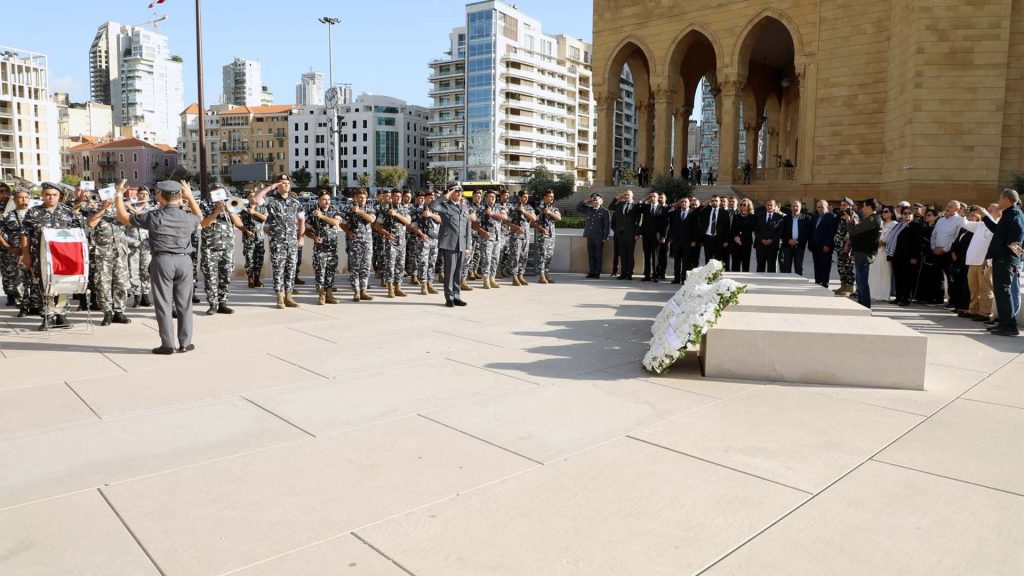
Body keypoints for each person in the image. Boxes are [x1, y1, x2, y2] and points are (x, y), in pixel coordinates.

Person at [114, 180, 201, 353]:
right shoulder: (187, 216)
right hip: (184, 261)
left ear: (160, 196)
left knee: (164, 304)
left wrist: (118, 195)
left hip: (163, 261)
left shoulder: (154, 216)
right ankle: (185, 343)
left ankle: (168, 345)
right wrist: (190, 197)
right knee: (185, 304)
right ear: (180, 195)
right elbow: (200, 218)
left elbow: (123, 217)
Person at [251, 175, 305, 309]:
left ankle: (289, 297)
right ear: (278, 186)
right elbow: (255, 200)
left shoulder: (295, 202)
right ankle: (280, 297)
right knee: (278, 270)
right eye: (282, 183)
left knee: (291, 269)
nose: (285, 185)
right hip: (278, 242)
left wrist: (301, 237)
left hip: (292, 242)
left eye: (287, 183)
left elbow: (301, 220)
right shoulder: (271, 200)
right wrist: (270, 187)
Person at [977, 190, 1024, 336]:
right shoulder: (1008, 214)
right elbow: (998, 231)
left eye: (1000, 199)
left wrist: (1011, 246)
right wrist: (985, 217)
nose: (998, 201)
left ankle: (1010, 327)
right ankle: (1004, 324)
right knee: (1001, 293)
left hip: (1006, 259)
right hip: (1002, 258)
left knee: (1004, 292)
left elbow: (1018, 233)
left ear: (1008, 199)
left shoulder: (1014, 214)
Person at [84, 190, 132, 326]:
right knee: (103, 282)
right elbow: (91, 224)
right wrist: (103, 208)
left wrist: (124, 207)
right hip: (103, 252)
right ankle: (107, 312)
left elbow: (130, 222)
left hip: (120, 251)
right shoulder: (95, 209)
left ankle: (119, 311)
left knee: (121, 282)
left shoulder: (121, 210)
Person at [198, 186, 244, 315]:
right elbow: (203, 224)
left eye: (221, 193)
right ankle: (213, 305)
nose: (219, 195)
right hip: (210, 248)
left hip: (227, 247)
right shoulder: (204, 204)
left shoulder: (230, 204)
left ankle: (223, 303)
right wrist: (217, 211)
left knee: (226, 276)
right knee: (210, 277)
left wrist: (230, 211)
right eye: (216, 193)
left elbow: (239, 224)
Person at [430, 184, 473, 307]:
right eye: (456, 191)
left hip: (461, 244)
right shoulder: (445, 206)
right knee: (449, 271)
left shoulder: (465, 207)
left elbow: (468, 228)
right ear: (451, 193)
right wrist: (445, 196)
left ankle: (456, 296)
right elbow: (432, 206)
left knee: (458, 272)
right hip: (450, 244)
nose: (459, 193)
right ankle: (449, 297)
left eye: (460, 191)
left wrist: (468, 246)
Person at [959, 204, 999, 320]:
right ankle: (973, 310)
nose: (987, 211)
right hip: (973, 261)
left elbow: (992, 224)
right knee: (974, 288)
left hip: (984, 262)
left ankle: (985, 313)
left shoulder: (997, 226)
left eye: (990, 210)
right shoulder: (981, 224)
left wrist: (983, 211)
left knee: (985, 289)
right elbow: (965, 224)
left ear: (999, 213)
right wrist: (963, 215)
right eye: (988, 209)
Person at [338, 188, 377, 302]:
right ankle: (356, 291)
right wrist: (349, 232)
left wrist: (359, 211)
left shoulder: (369, 209)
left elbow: (371, 220)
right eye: (360, 197)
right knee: (355, 268)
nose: (362, 199)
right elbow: (342, 224)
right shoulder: (348, 209)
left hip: (367, 242)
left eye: (364, 197)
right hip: (355, 243)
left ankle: (363, 291)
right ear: (355, 198)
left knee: (366, 267)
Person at [305, 190, 343, 305]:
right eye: (324, 199)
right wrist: (314, 237)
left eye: (328, 199)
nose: (327, 202)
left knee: (331, 271)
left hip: (332, 248)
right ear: (319, 201)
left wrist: (321, 216)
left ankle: (329, 294)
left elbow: (336, 223)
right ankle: (321, 295)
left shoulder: (334, 211)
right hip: (320, 248)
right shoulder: (312, 213)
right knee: (320, 271)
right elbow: (306, 230)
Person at [847, 198, 882, 308]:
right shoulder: (870, 218)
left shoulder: (872, 219)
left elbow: (854, 232)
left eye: (864, 206)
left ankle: (865, 305)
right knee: (859, 280)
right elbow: (859, 233)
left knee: (862, 280)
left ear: (870, 207)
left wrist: (849, 221)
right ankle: (862, 303)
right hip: (861, 252)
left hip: (864, 253)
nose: (862, 209)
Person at [0, 188, 29, 313]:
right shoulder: (6, 216)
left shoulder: (34, 214)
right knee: (12, 276)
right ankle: (14, 298)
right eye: (20, 197)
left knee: (30, 278)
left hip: (30, 252)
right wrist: (10, 248)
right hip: (13, 252)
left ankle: (29, 302)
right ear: (14, 199)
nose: (24, 200)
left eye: (26, 197)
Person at [931, 200, 964, 309]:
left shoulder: (959, 221)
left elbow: (955, 238)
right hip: (936, 251)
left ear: (957, 209)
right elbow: (934, 235)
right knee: (937, 276)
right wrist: (933, 247)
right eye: (947, 206)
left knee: (951, 278)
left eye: (950, 207)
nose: (947, 208)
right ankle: (938, 298)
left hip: (949, 253)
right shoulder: (940, 220)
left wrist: (944, 249)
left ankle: (952, 301)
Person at [125, 186, 153, 308]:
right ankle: (137, 296)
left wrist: (131, 208)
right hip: (133, 244)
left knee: (146, 270)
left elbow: (144, 217)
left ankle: (145, 295)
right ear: (137, 195)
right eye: (141, 193)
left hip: (146, 244)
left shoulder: (151, 208)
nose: (144, 196)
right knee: (133, 270)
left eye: (146, 194)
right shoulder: (128, 208)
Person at [473, 190, 507, 289]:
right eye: (490, 196)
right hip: (486, 238)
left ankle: (492, 279)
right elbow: (475, 225)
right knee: (486, 260)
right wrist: (483, 232)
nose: (492, 198)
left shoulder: (499, 208)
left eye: (494, 197)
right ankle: (486, 280)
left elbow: (505, 217)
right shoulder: (481, 209)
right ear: (486, 198)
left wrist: (492, 213)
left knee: (495, 259)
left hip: (497, 238)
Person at [890, 206, 922, 306]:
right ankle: (899, 297)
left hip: (909, 257)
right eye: (905, 213)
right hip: (897, 255)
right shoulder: (899, 225)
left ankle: (906, 298)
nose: (907, 215)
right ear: (901, 215)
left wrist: (914, 257)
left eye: (909, 213)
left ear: (912, 215)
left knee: (907, 278)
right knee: (898, 277)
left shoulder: (916, 225)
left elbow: (917, 243)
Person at [412, 191, 441, 295]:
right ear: (425, 199)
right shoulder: (418, 210)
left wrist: (431, 215)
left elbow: (441, 220)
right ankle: (423, 285)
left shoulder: (436, 210)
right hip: (423, 239)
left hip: (435, 239)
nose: (432, 199)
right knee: (423, 263)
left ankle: (430, 284)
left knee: (432, 263)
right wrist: (421, 234)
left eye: (433, 198)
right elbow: (413, 225)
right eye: (430, 198)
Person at [506, 190, 537, 286]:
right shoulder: (512, 207)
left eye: (527, 197)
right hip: (516, 236)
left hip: (526, 236)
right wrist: (515, 227)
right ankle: (514, 276)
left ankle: (520, 275)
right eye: (524, 197)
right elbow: (507, 221)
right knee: (515, 256)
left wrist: (524, 211)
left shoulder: (529, 208)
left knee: (524, 257)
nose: (526, 199)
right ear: (519, 197)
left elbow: (534, 218)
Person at [239, 187, 268, 288]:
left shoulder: (262, 208)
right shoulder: (243, 209)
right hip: (248, 238)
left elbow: (265, 218)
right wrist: (246, 231)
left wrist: (254, 212)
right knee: (249, 259)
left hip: (259, 238)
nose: (253, 198)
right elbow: (238, 223)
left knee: (259, 259)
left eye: (255, 196)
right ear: (248, 198)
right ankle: (250, 279)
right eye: (251, 196)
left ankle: (257, 279)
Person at [868, 205, 897, 301]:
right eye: (883, 211)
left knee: (884, 273)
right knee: (874, 271)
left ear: (892, 213)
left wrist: (882, 242)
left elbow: (891, 237)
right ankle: (873, 293)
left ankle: (883, 295)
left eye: (886, 211)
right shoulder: (881, 222)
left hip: (885, 251)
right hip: (876, 250)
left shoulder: (894, 223)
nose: (884, 213)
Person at [578, 193, 611, 279]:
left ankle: (597, 272)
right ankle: (591, 271)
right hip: (590, 235)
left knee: (598, 255)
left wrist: (605, 237)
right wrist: (587, 201)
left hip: (599, 237)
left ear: (601, 201)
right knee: (591, 254)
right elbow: (578, 207)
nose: (595, 201)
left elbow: (607, 225)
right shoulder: (589, 209)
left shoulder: (604, 211)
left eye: (596, 199)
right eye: (593, 200)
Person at [609, 190, 640, 279]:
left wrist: (637, 233)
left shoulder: (636, 205)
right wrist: (618, 197)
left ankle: (629, 273)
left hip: (631, 234)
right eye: (625, 195)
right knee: (622, 254)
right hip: (621, 233)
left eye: (628, 195)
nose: (627, 196)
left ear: (632, 195)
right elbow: (611, 206)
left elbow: (639, 220)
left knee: (630, 254)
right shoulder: (620, 204)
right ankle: (623, 273)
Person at [916, 209, 944, 305]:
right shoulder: (924, 226)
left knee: (936, 277)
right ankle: (925, 297)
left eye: (929, 215)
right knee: (926, 277)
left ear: (936, 217)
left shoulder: (938, 228)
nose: (926, 216)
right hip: (925, 255)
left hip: (935, 255)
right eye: (926, 215)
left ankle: (937, 298)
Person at [533, 189, 561, 284]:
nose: (552, 198)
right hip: (542, 236)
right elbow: (533, 222)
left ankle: (546, 273)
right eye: (550, 196)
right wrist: (541, 229)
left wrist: (549, 212)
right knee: (542, 255)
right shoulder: (538, 209)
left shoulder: (554, 209)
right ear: (545, 197)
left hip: (551, 236)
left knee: (549, 256)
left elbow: (559, 218)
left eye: (553, 197)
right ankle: (541, 275)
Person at [638, 191, 667, 282]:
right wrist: (645, 198)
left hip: (656, 236)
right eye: (651, 196)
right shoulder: (646, 207)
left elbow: (664, 224)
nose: (652, 198)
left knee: (655, 257)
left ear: (658, 198)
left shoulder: (662, 208)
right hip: (646, 235)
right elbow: (638, 206)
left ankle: (655, 274)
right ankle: (647, 275)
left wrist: (663, 236)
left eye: (654, 196)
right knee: (647, 255)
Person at [667, 197, 697, 283]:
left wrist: (694, 240)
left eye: (685, 202)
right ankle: (676, 278)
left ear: (689, 203)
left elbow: (695, 228)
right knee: (677, 261)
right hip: (676, 241)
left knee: (686, 261)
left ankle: (684, 278)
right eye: (682, 202)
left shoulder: (693, 213)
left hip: (687, 241)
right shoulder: (675, 213)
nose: (683, 203)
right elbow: (664, 213)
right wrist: (673, 205)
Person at [809, 200, 837, 288]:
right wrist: (810, 244)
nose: (820, 209)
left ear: (827, 207)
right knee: (817, 264)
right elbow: (811, 231)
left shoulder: (832, 216)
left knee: (825, 265)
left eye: (822, 207)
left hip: (825, 246)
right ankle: (817, 281)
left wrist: (828, 244)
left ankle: (825, 283)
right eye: (818, 207)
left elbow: (831, 232)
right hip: (815, 245)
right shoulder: (815, 216)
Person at [780, 200, 811, 275]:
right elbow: (782, 232)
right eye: (793, 206)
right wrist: (788, 240)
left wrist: (798, 241)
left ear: (800, 207)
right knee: (786, 267)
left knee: (798, 267)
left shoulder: (806, 219)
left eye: (797, 206)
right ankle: (787, 281)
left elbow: (807, 232)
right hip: (787, 246)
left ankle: (798, 281)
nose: (795, 208)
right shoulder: (785, 218)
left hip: (799, 246)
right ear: (791, 207)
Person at [833, 197, 857, 296]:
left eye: (844, 205)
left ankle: (850, 288)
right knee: (841, 267)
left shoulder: (853, 216)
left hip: (847, 247)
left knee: (848, 267)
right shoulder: (841, 216)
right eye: (841, 205)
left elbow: (851, 234)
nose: (842, 207)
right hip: (839, 247)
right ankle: (843, 285)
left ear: (850, 206)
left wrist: (846, 246)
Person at [698, 195, 730, 264]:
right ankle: (708, 271)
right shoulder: (706, 211)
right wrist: (702, 205)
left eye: (716, 201)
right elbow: (695, 213)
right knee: (708, 259)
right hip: (707, 238)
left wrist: (726, 240)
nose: (714, 202)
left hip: (718, 239)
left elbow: (727, 227)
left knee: (718, 260)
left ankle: (717, 271)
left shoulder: (724, 212)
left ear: (719, 202)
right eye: (712, 201)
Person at [754, 199, 783, 273]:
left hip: (773, 246)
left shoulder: (779, 217)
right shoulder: (759, 216)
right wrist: (762, 240)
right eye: (768, 205)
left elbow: (779, 232)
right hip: (761, 245)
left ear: (775, 206)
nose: (769, 207)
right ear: (765, 206)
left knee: (772, 267)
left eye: (771, 205)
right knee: (760, 266)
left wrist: (771, 240)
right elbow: (756, 230)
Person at [729, 198, 756, 272]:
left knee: (745, 263)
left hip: (746, 242)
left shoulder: (752, 217)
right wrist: (736, 237)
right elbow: (733, 229)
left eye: (744, 205)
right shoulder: (736, 216)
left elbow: (750, 229)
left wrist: (740, 237)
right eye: (741, 204)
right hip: (735, 242)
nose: (742, 206)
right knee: (735, 263)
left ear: (749, 206)